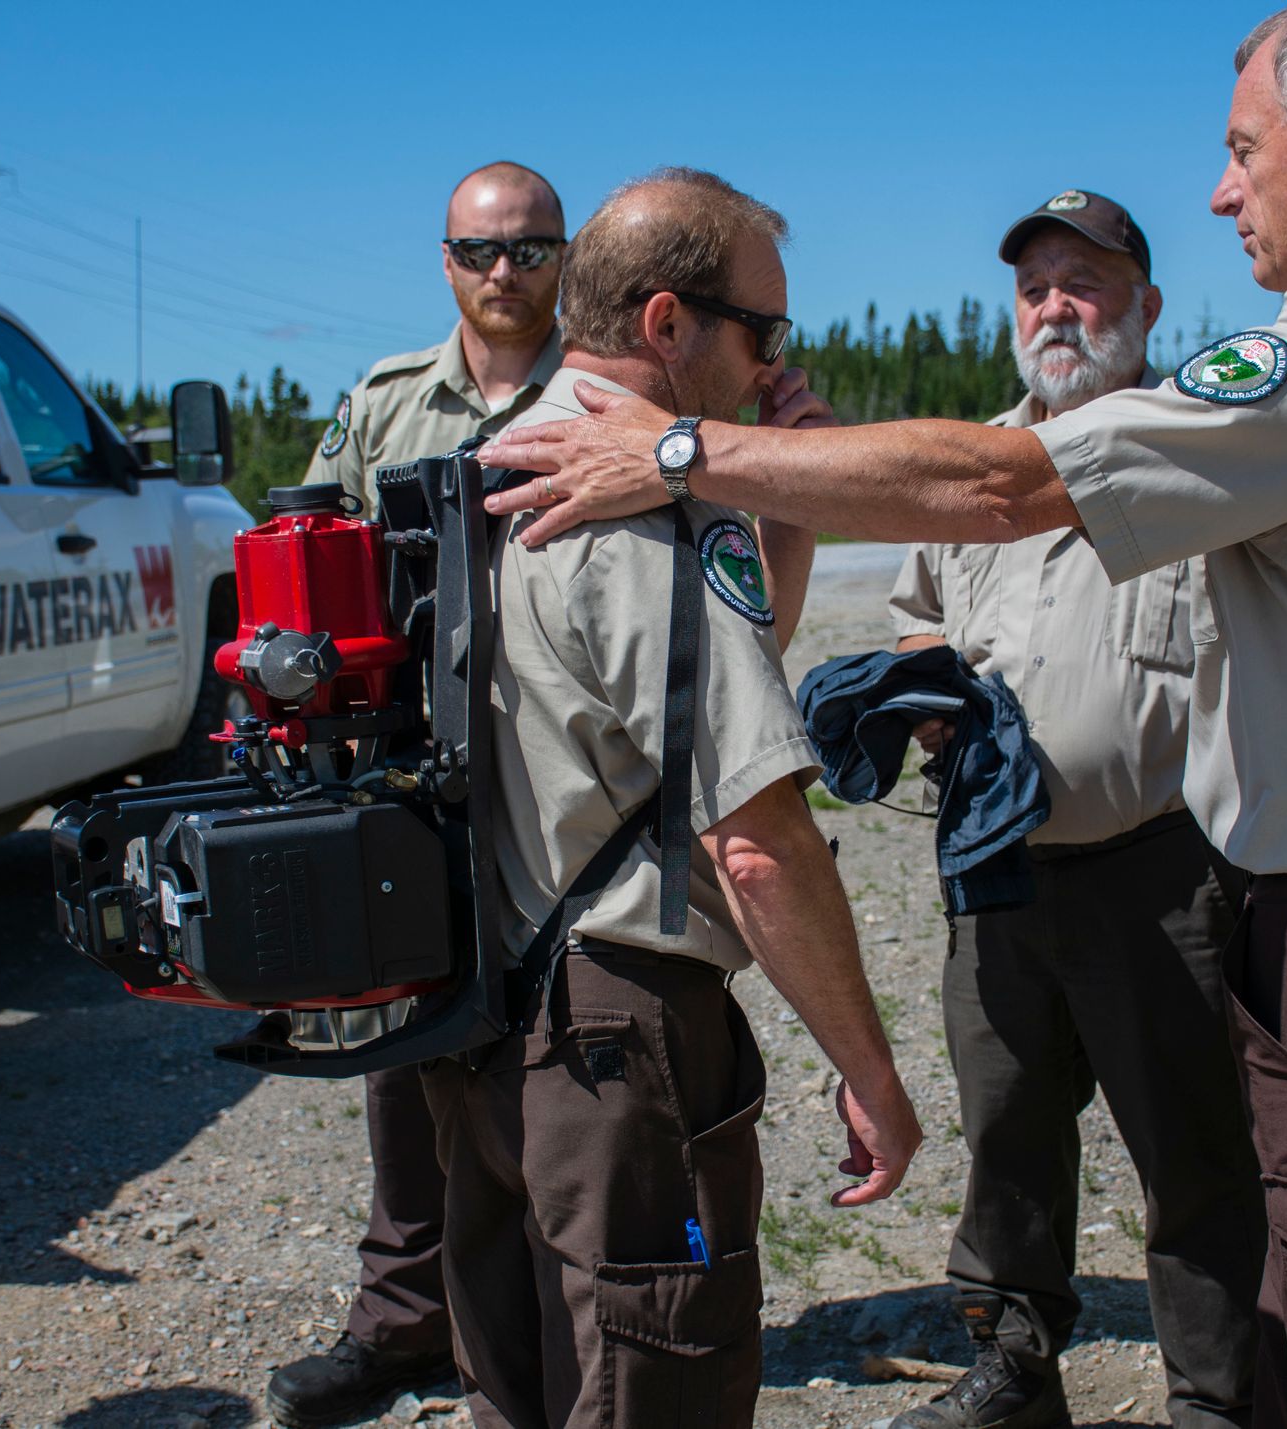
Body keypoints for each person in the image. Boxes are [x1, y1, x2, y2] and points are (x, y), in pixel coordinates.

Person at [477, 4, 1287, 1424]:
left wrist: (679, 447)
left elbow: (1005, 487)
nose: (1225, 188)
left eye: (1241, 149)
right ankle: (1028, 1351)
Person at [422, 165, 920, 1428]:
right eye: (763, 331)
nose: (772, 364)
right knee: (655, 1380)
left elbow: (700, 682)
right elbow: (752, 838)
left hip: (485, 1017)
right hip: (616, 1035)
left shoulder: (496, 463)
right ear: (665, 323)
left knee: (524, 1381)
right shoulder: (640, 515)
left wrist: (779, 494)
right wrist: (868, 1068)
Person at [886, 190, 1262, 1429]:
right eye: (1035, 284)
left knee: (1194, 1153)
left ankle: (1216, 1392)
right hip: (994, 870)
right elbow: (916, 607)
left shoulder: (1197, 449)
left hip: (1164, 872)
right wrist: (920, 686)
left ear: (1146, 306)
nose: (1057, 304)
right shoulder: (965, 463)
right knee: (1005, 1138)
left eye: (1086, 281)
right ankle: (1013, 1365)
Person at [270, 158, 570, 1428]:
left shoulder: (608, 392)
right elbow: (310, 553)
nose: (504, 272)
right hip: (413, 773)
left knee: (562, 1056)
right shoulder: (388, 401)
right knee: (403, 1047)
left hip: (563, 777)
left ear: (565, 258)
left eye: (529, 249)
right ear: (443, 260)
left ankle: (557, 1325)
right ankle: (403, 1326)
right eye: (479, 250)